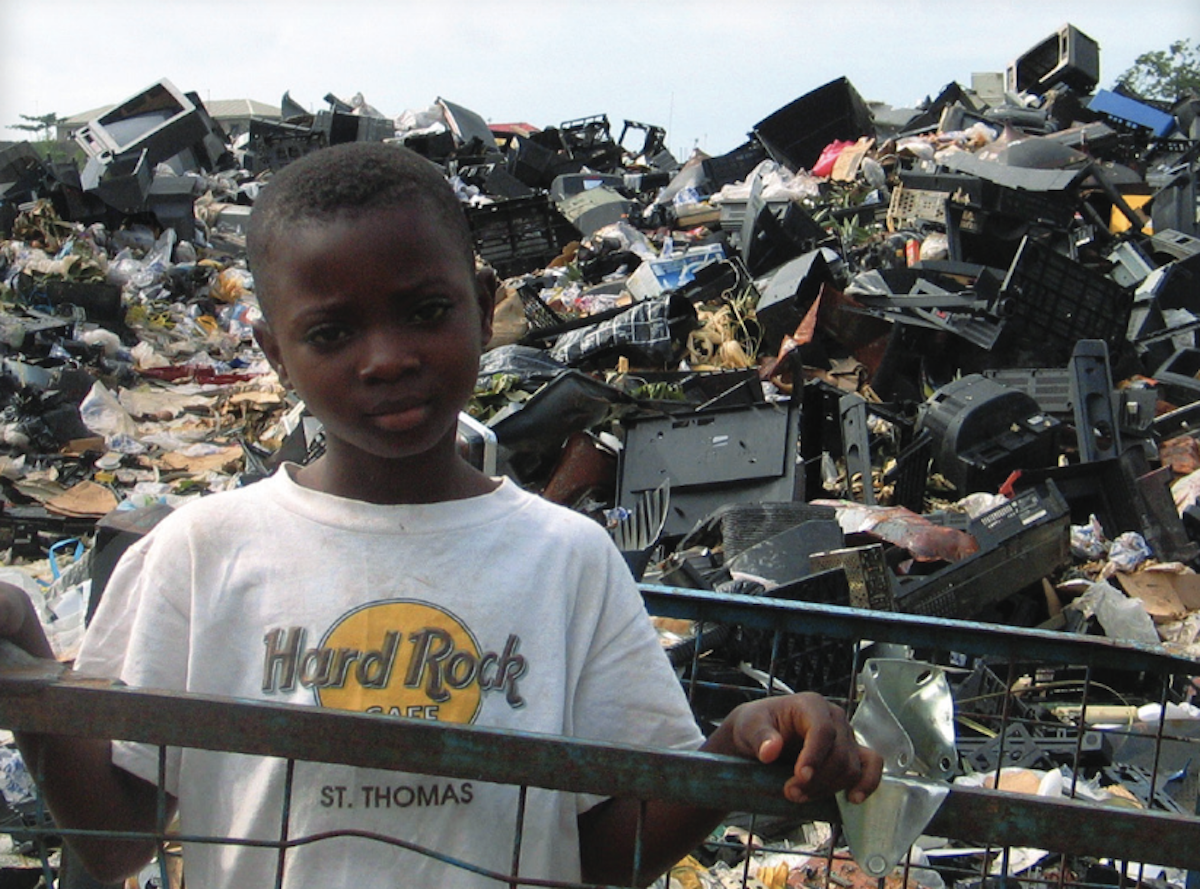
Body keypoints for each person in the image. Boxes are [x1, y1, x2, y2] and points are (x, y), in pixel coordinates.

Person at [0, 142, 881, 888]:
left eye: (425, 312)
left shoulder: (565, 558)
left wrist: (737, 746)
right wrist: (26, 658)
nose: (387, 359)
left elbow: (602, 856)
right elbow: (116, 837)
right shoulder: (203, 552)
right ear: (273, 351)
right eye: (333, 333)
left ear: (482, 294)